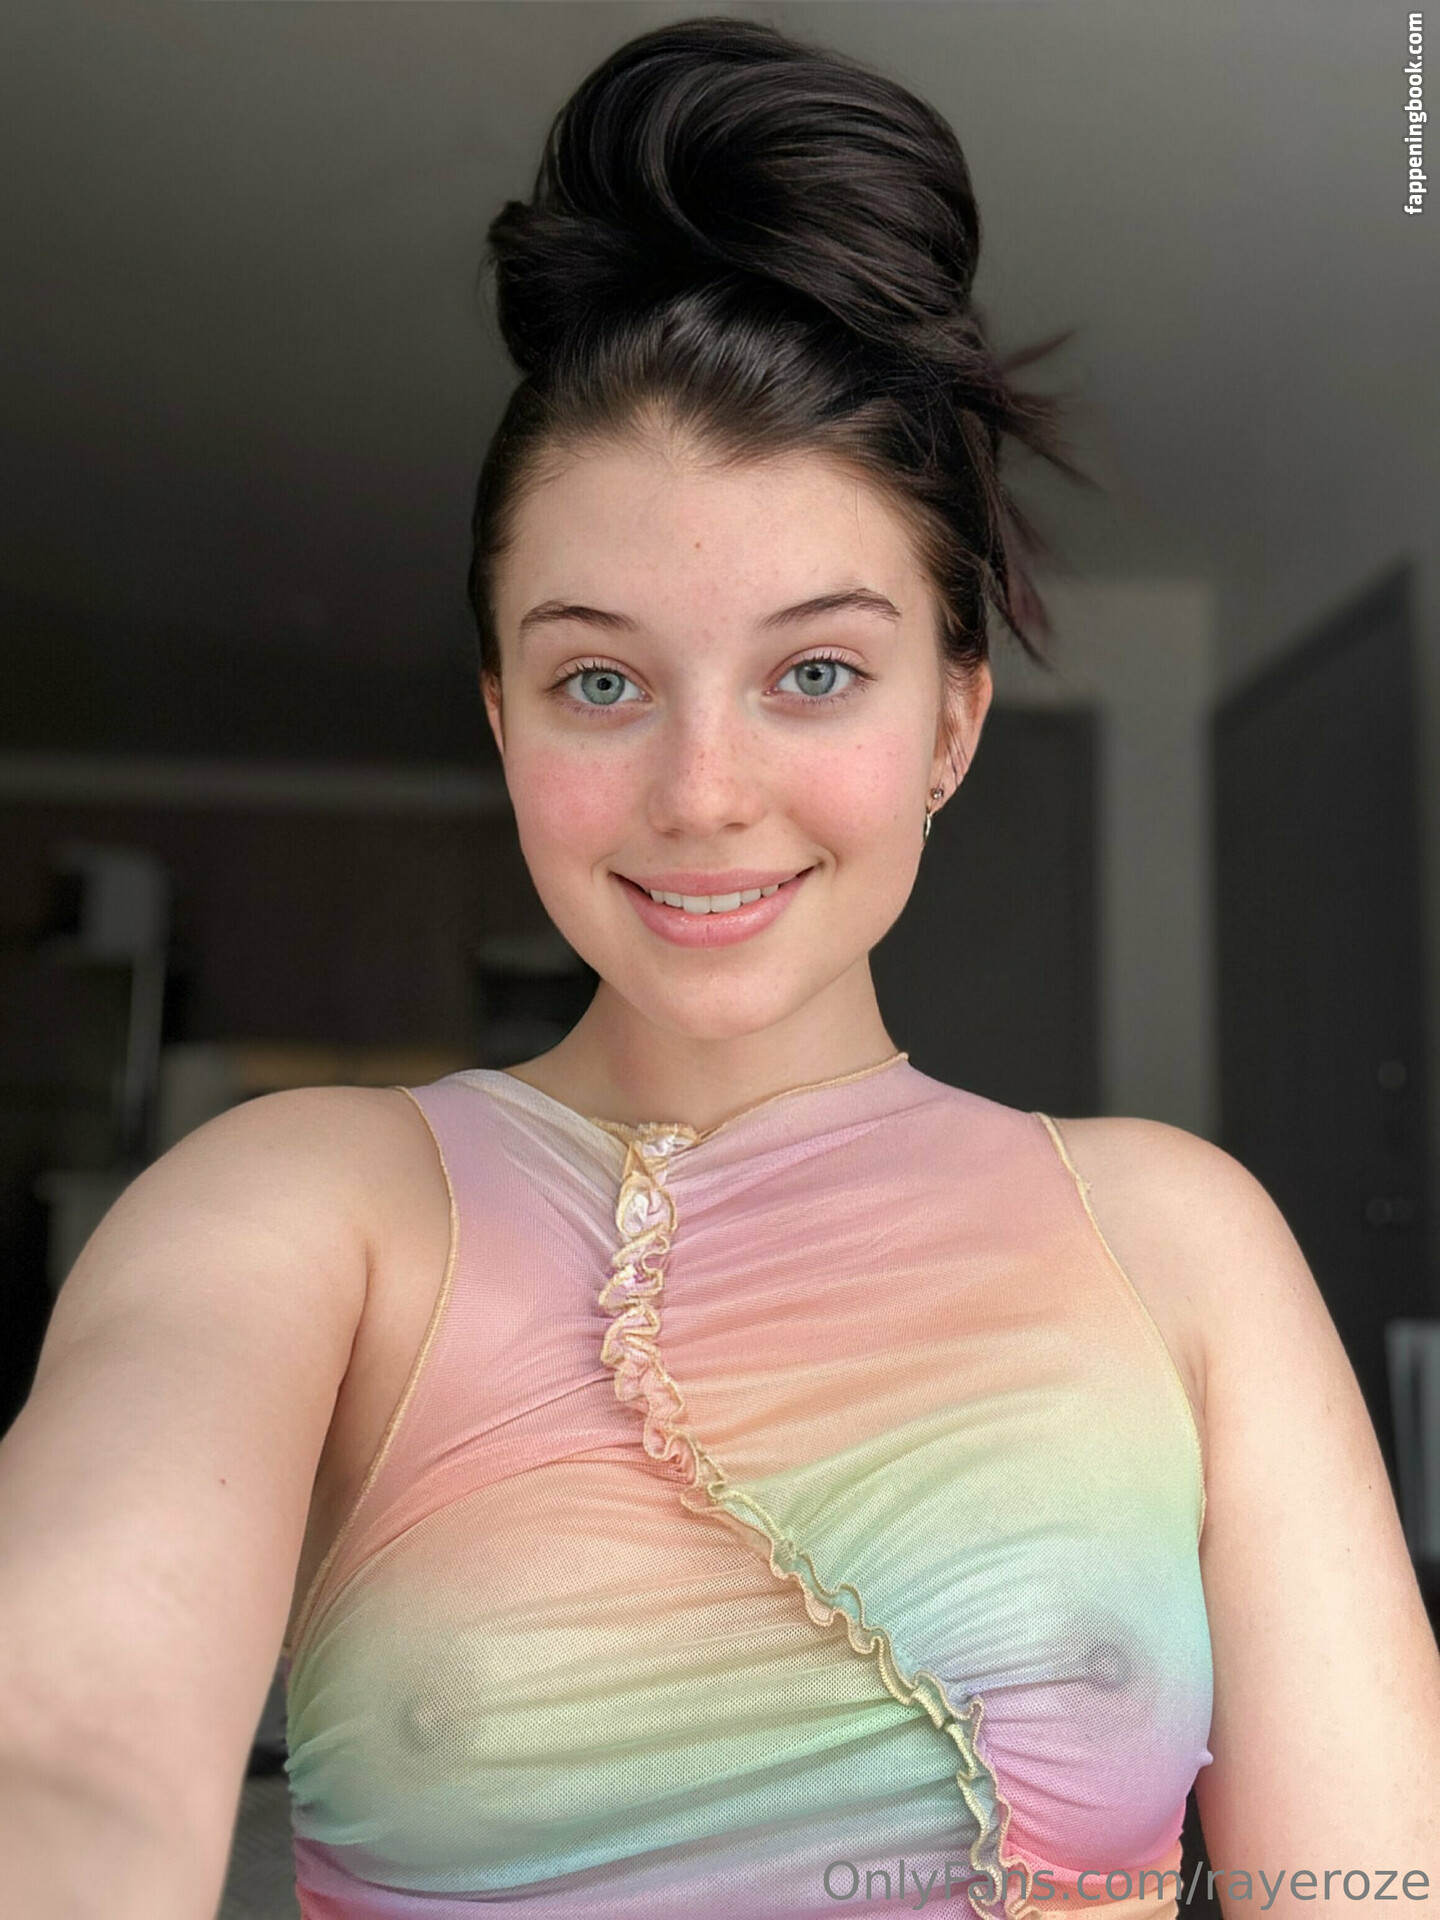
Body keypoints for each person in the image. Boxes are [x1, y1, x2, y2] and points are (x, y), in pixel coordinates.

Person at [1, 15, 1437, 1920]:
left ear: (952, 718)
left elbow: (1373, 1888)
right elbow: (60, 1757)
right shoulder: (294, 1213)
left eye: (816, 671)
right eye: (601, 679)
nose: (701, 793)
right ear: (503, 714)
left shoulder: (1181, 1244)